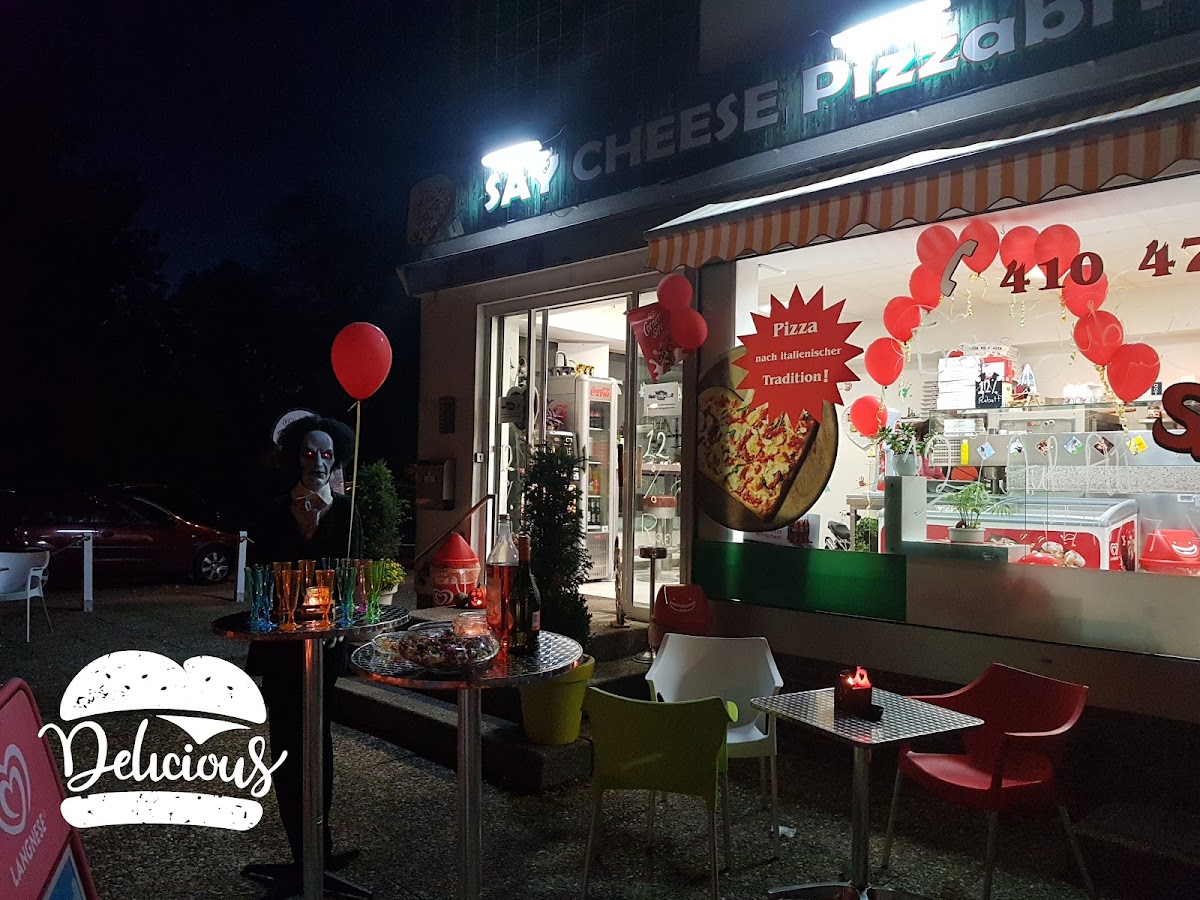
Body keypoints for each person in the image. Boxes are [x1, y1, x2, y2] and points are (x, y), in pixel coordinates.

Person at [246, 414, 361, 876]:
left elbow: (352, 577)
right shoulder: (273, 511)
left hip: (324, 650)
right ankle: (301, 855)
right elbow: (259, 576)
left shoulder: (346, 512)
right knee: (286, 745)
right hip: (280, 649)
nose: (318, 462)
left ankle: (320, 851)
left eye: (326, 454)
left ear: (336, 460)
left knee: (319, 741)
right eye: (310, 453)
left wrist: (344, 616)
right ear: (297, 458)